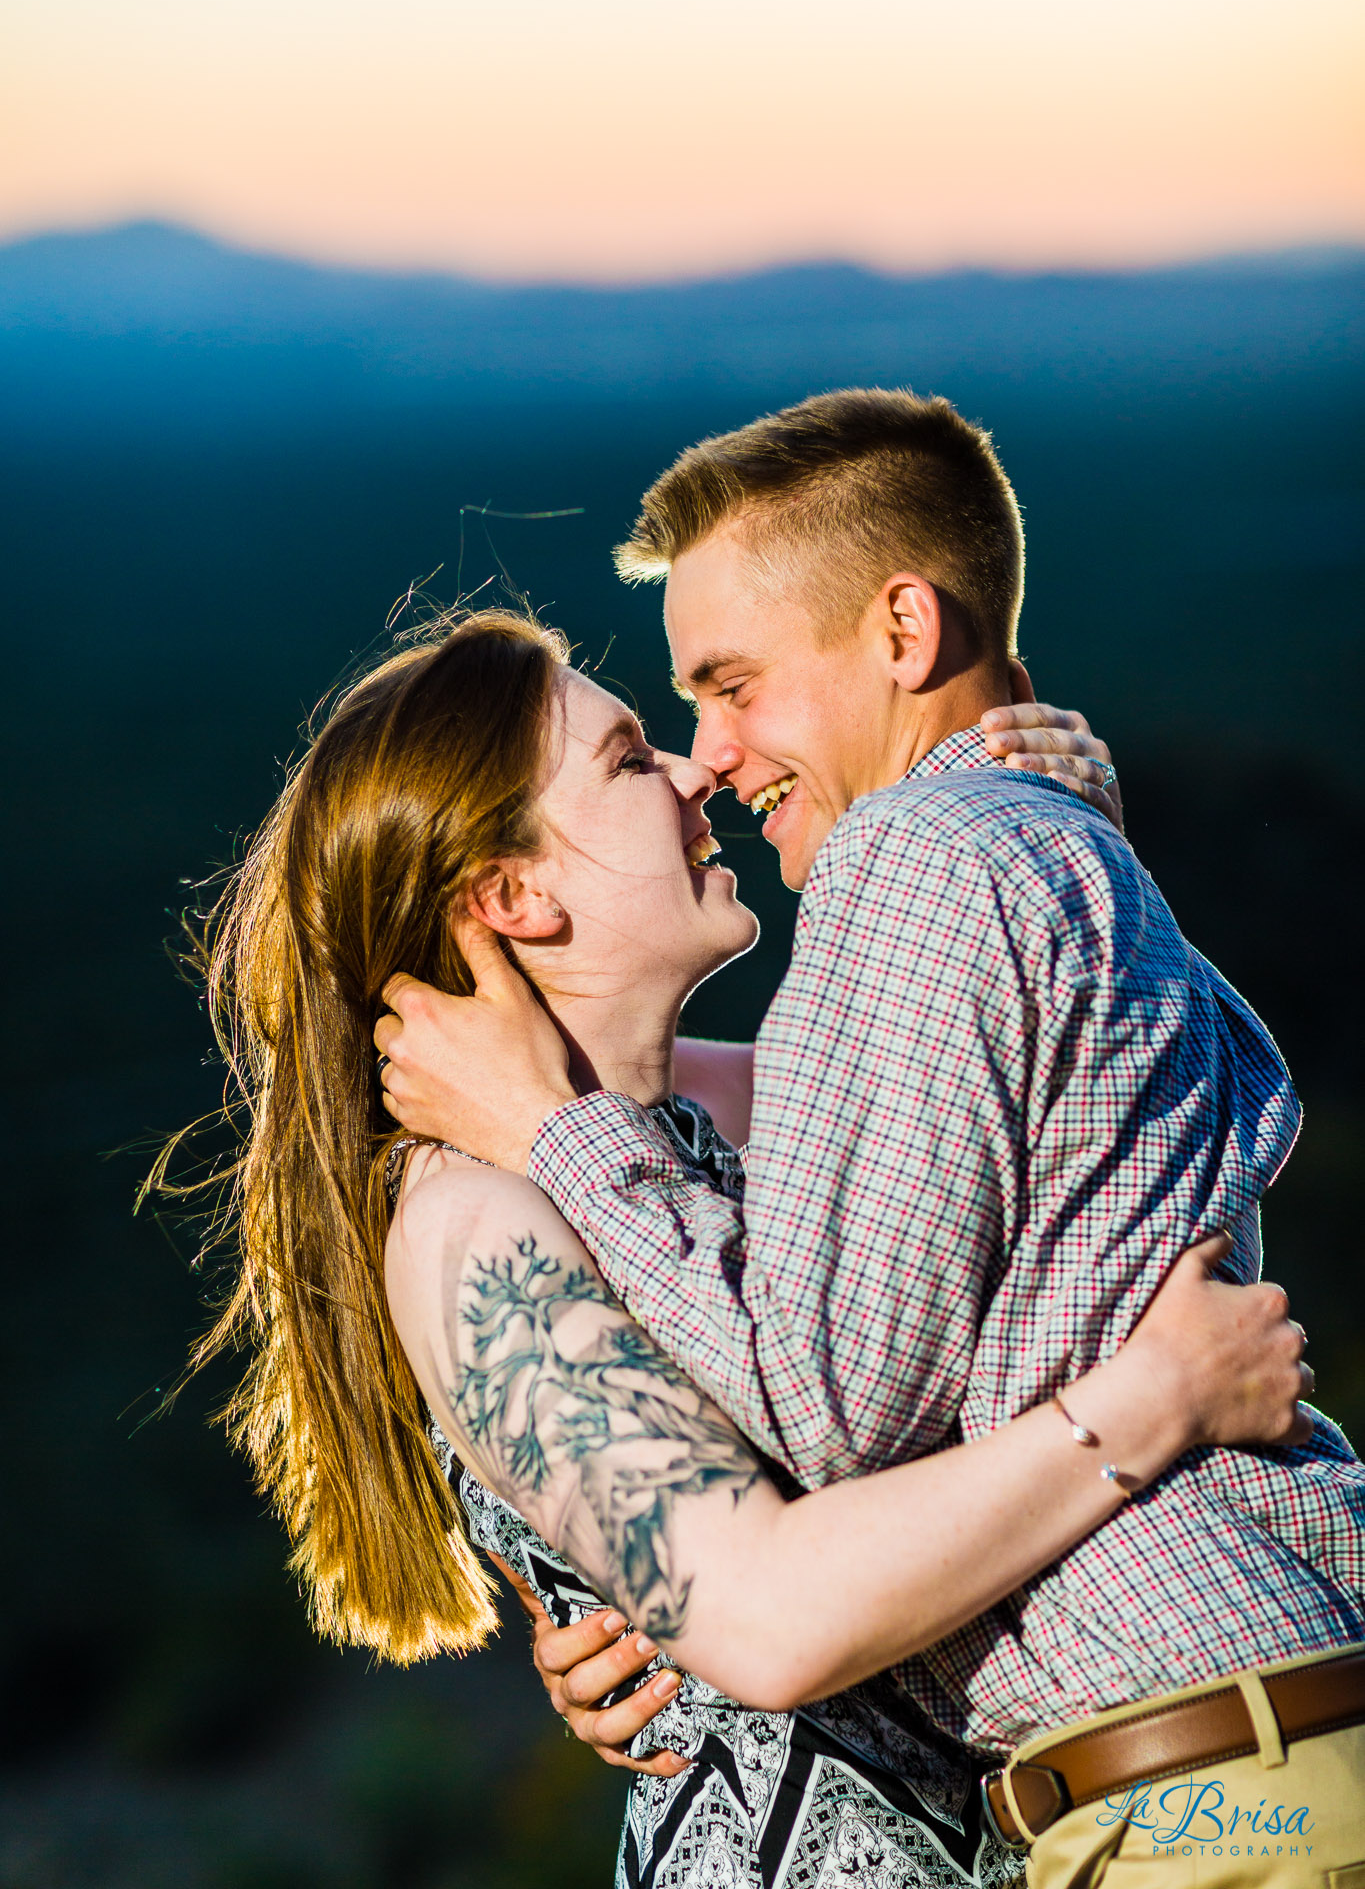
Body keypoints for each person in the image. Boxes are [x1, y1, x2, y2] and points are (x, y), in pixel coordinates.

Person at [376, 392, 1365, 1888]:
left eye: (725, 688)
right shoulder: (618, 1140)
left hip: (1195, 1775)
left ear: (902, 633)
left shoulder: (911, 859)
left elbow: (828, 1412)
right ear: (510, 893)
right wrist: (631, 1594)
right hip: (1218, 1743)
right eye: (652, 746)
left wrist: (551, 1124)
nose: (707, 760)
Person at [173, 606, 1310, 1889]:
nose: (695, 767)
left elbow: (1067, 1102)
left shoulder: (706, 1107)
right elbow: (764, 1621)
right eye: (626, 760)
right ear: (512, 894)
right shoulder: (469, 1227)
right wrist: (1148, 1402)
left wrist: (1057, 842)